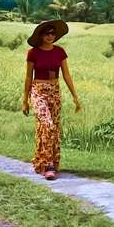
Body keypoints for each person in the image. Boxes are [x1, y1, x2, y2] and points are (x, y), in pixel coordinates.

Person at [22, 19, 82, 180]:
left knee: (53, 129)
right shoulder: (33, 53)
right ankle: (48, 164)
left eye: (52, 33)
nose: (50, 36)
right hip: (38, 91)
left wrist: (75, 97)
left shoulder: (60, 52)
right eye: (47, 33)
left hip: (55, 91)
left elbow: (67, 75)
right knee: (47, 124)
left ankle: (46, 162)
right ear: (40, 35)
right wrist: (25, 100)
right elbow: (28, 77)